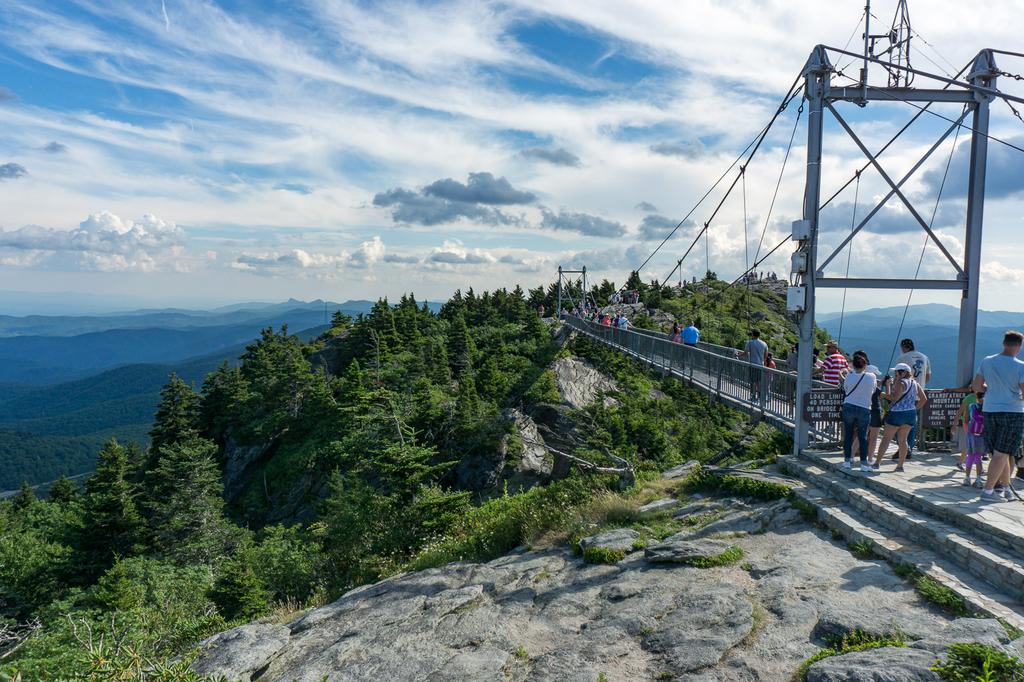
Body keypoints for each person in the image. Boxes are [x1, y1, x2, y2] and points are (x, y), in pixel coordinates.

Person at [972, 330, 1024, 502]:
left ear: (1004, 343)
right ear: (1019, 346)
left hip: (990, 409)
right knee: (1003, 452)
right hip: (1013, 411)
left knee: (998, 452)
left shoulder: (987, 361)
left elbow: (977, 386)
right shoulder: (1020, 366)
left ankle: (1007, 488)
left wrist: (993, 389)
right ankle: (988, 492)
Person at [873, 363, 927, 472]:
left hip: (897, 413)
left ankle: (877, 463)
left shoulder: (900, 383)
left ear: (901, 372)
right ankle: (900, 466)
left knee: (886, 439)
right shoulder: (914, 383)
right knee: (903, 440)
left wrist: (881, 394)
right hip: (910, 414)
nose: (895, 374)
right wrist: (914, 409)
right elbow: (924, 398)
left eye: (896, 372)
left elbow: (894, 398)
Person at [842, 351, 877, 472]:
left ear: (854, 365)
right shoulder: (872, 376)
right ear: (864, 365)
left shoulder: (849, 376)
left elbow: (846, 389)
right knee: (862, 436)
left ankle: (847, 461)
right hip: (864, 408)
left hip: (849, 406)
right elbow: (873, 391)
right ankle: (863, 464)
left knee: (848, 434)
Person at [895, 338, 931, 456]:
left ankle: (902, 449)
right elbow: (928, 377)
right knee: (912, 424)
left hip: (905, 394)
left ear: (903, 347)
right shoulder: (925, 357)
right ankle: (909, 448)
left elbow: (898, 377)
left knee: (899, 423)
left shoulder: (902, 358)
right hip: (919, 394)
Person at [962, 391, 986, 488]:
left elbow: (966, 419)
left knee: (970, 456)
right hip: (982, 435)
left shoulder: (971, 406)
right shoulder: (988, 408)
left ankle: (967, 478)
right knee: (978, 457)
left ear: (976, 397)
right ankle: (979, 479)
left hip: (971, 434)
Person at [954, 389, 979, 471]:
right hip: (968, 423)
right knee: (973, 444)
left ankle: (960, 462)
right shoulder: (968, 398)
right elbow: (959, 412)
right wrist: (954, 425)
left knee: (970, 444)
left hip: (979, 424)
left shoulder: (985, 397)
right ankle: (979, 468)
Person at [743, 330, 769, 400]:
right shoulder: (764, 343)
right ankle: (760, 394)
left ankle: (753, 395)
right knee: (759, 380)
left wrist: (738, 355)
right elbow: (766, 355)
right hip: (761, 365)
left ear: (753, 335)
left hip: (753, 364)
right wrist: (762, 360)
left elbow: (745, 353)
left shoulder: (750, 343)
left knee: (753, 380)